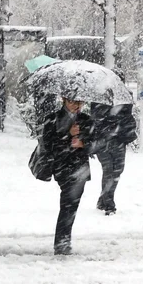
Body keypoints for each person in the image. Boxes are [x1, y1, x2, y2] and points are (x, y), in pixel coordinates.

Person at [42, 95, 94, 255]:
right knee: (68, 204)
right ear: (64, 100)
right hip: (63, 167)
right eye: (72, 101)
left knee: (71, 206)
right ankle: (62, 242)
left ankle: (63, 240)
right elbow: (48, 144)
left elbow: (96, 144)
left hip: (80, 168)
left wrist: (83, 143)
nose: (76, 105)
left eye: (80, 102)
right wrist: (67, 134)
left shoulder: (86, 120)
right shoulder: (53, 119)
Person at [91, 102, 137, 215]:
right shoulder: (99, 101)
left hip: (119, 142)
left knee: (117, 171)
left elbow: (129, 120)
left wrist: (123, 129)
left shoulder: (123, 102)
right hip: (103, 142)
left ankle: (103, 200)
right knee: (109, 171)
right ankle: (109, 204)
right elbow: (94, 122)